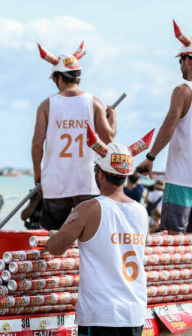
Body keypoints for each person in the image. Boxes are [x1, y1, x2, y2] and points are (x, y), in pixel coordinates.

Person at [46, 131, 149, 336]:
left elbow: (56, 248)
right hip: (134, 306)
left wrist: (52, 237)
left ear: (100, 173)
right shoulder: (140, 211)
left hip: (103, 309)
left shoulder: (89, 208)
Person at [136, 20, 192, 235]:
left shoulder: (183, 91)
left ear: (187, 59)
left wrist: (150, 157)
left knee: (173, 237)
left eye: (180, 62)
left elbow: (168, 127)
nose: (180, 67)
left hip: (181, 179)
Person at [32, 41, 117, 230]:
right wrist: (112, 121)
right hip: (87, 183)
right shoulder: (95, 103)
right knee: (89, 238)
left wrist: (38, 171)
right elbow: (108, 140)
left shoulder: (46, 105)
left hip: (55, 184)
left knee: (53, 238)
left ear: (57, 78)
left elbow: (37, 144)